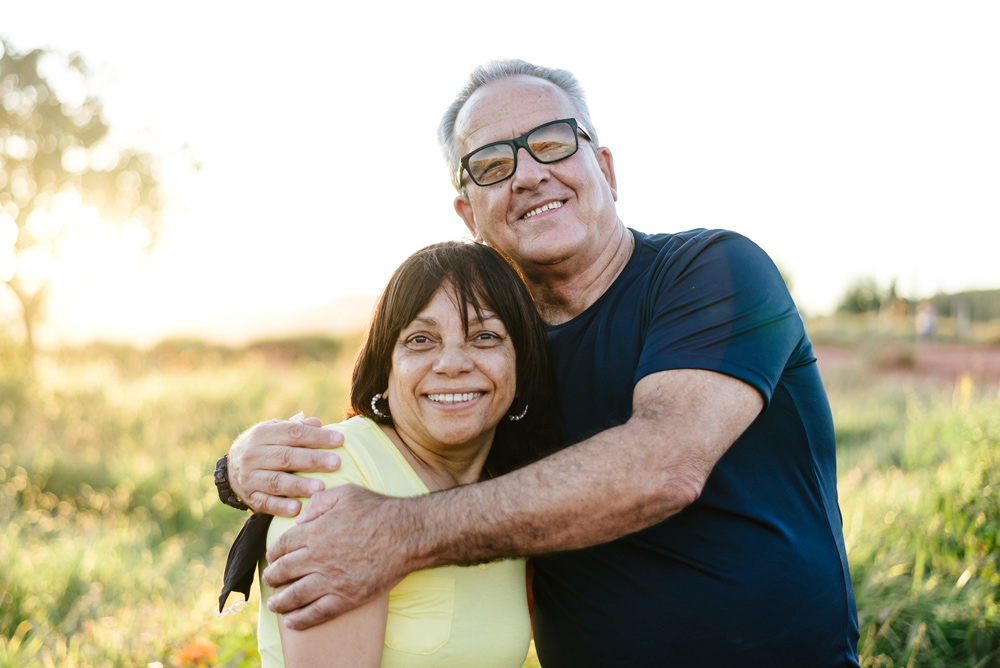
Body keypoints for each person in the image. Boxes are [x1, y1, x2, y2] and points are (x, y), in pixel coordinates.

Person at [218, 60, 860, 667]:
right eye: (491, 164)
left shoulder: (714, 271)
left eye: (552, 143)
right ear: (469, 214)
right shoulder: (499, 352)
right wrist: (239, 469)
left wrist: (397, 533)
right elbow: (406, 434)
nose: (527, 174)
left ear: (606, 169)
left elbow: (663, 466)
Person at [241, 240, 558, 666]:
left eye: (485, 336)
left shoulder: (511, 491)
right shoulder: (334, 476)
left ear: (521, 365)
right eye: (421, 339)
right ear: (385, 371)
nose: (452, 363)